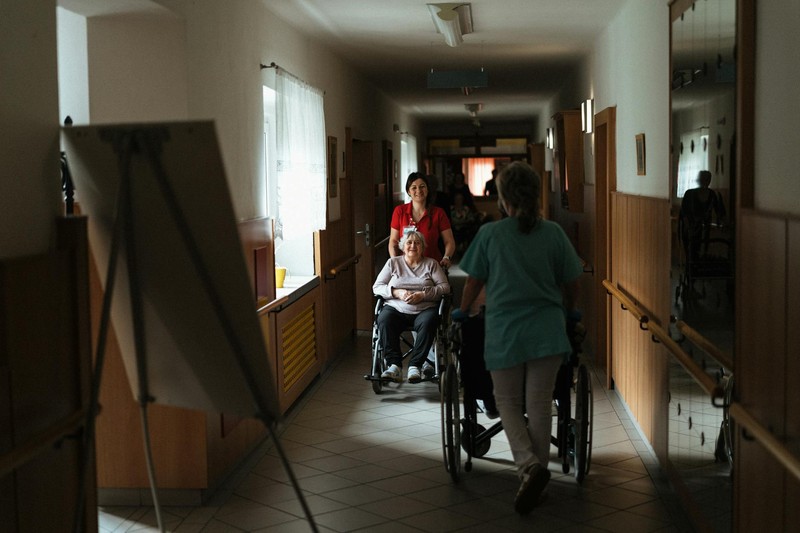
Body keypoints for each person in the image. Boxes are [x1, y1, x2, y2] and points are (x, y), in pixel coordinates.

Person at [452, 161, 582, 515]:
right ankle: (533, 478)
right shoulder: (553, 233)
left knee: (507, 402)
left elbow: (474, 281)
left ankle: (529, 468)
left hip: (506, 331)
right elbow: (572, 280)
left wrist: (463, 311)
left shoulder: (491, 235)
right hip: (547, 330)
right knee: (540, 404)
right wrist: (570, 311)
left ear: (504, 199)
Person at [373, 230, 451, 383]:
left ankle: (415, 365)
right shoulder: (393, 263)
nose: (413, 246)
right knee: (384, 319)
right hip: (396, 308)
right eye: (409, 242)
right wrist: (397, 292)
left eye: (417, 243)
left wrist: (423, 295)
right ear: (403, 246)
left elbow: (445, 287)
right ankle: (394, 365)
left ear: (423, 247)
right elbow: (377, 287)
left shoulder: (431, 264)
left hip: (424, 309)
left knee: (430, 322)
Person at [389, 172, 456, 268]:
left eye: (422, 186)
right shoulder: (399, 211)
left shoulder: (438, 213)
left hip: (432, 267)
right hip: (404, 267)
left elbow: (449, 241)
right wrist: (394, 260)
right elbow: (393, 240)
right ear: (408, 191)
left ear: (428, 189)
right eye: (414, 187)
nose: (418, 190)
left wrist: (446, 257)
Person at [679, 169, 727, 262]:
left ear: (709, 180)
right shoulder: (689, 194)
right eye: (702, 178)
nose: (705, 181)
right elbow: (684, 213)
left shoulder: (714, 195)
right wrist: (688, 227)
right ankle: (690, 273)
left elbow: (720, 212)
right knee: (691, 255)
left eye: (707, 179)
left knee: (703, 254)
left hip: (705, 230)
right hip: (690, 230)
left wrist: (724, 224)